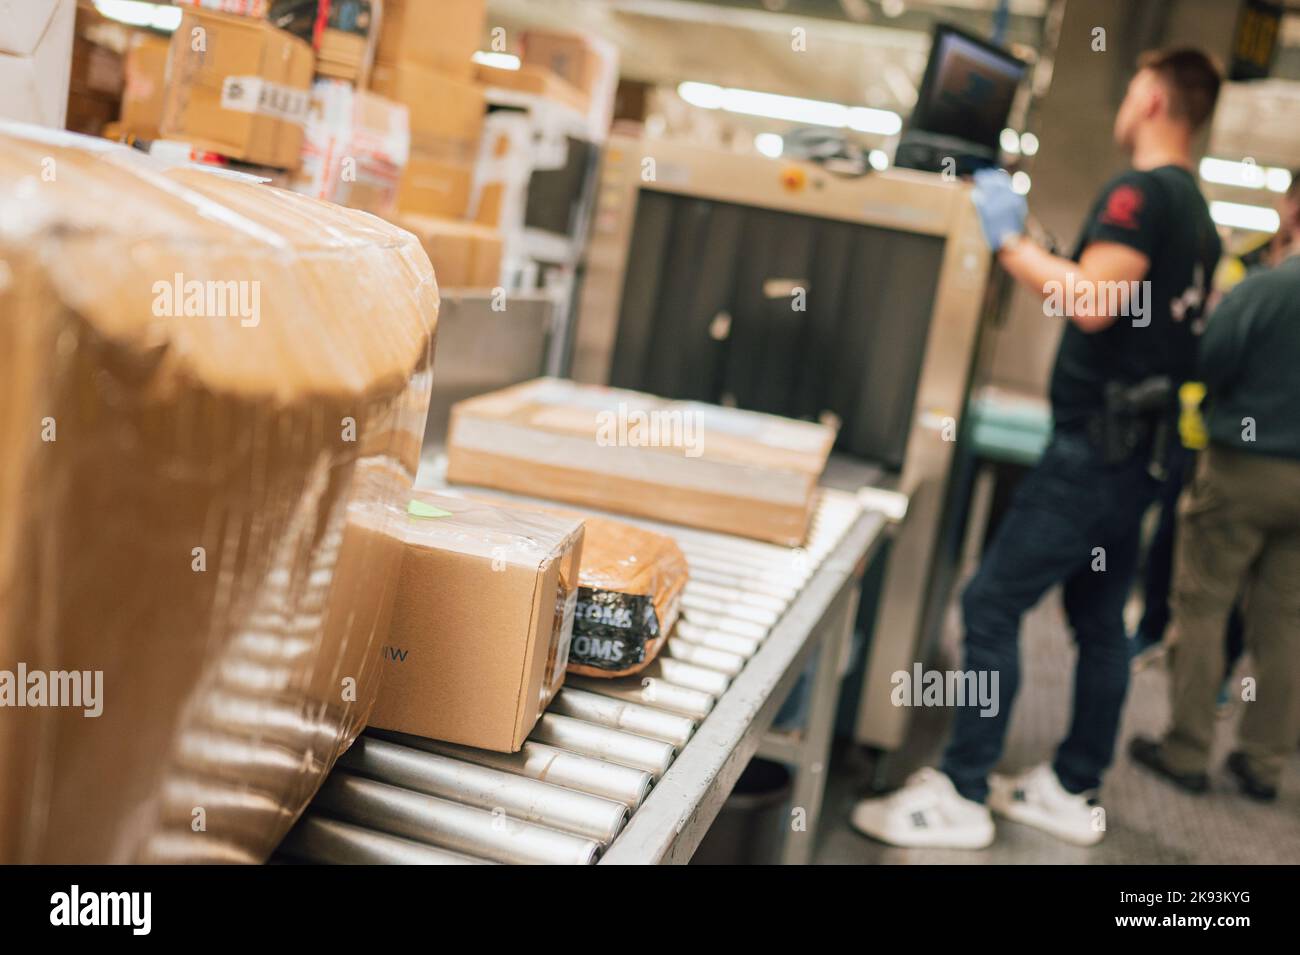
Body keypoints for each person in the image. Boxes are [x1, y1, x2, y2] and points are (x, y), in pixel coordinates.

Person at [851, 48, 1222, 849]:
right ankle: (1071, 783)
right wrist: (1040, 241)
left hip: (1095, 447)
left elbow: (1091, 300)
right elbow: (1128, 304)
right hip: (1144, 455)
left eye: (1130, 87)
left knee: (990, 604)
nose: (1124, 102)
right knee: (1098, 620)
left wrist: (1007, 240)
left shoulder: (1139, 191)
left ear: (1153, 98)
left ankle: (962, 785)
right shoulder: (1197, 212)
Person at [1129, 248, 1300, 803]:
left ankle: (1186, 751)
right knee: (1287, 621)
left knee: (1203, 603)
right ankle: (1264, 764)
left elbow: (1212, 359)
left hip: (1245, 466)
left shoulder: (1266, 289)